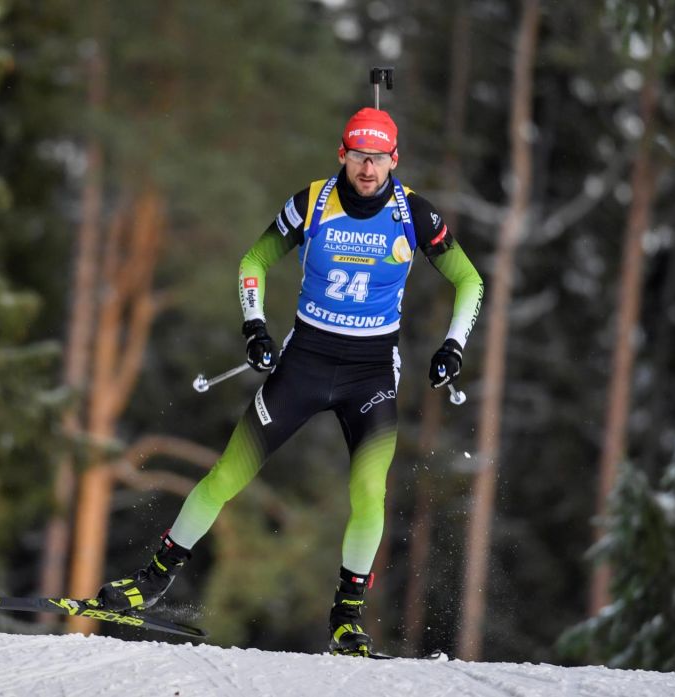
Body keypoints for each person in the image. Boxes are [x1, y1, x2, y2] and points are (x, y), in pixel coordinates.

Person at [97, 107, 484, 657]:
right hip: (305, 362)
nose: (367, 169)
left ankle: (347, 618)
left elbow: (469, 278)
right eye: (357, 156)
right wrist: (254, 324)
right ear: (341, 154)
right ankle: (153, 580)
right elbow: (254, 259)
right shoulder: (311, 203)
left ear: (394, 160)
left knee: (369, 493)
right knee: (227, 474)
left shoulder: (413, 214)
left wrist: (454, 345)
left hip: (370, 371)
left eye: (377, 159)